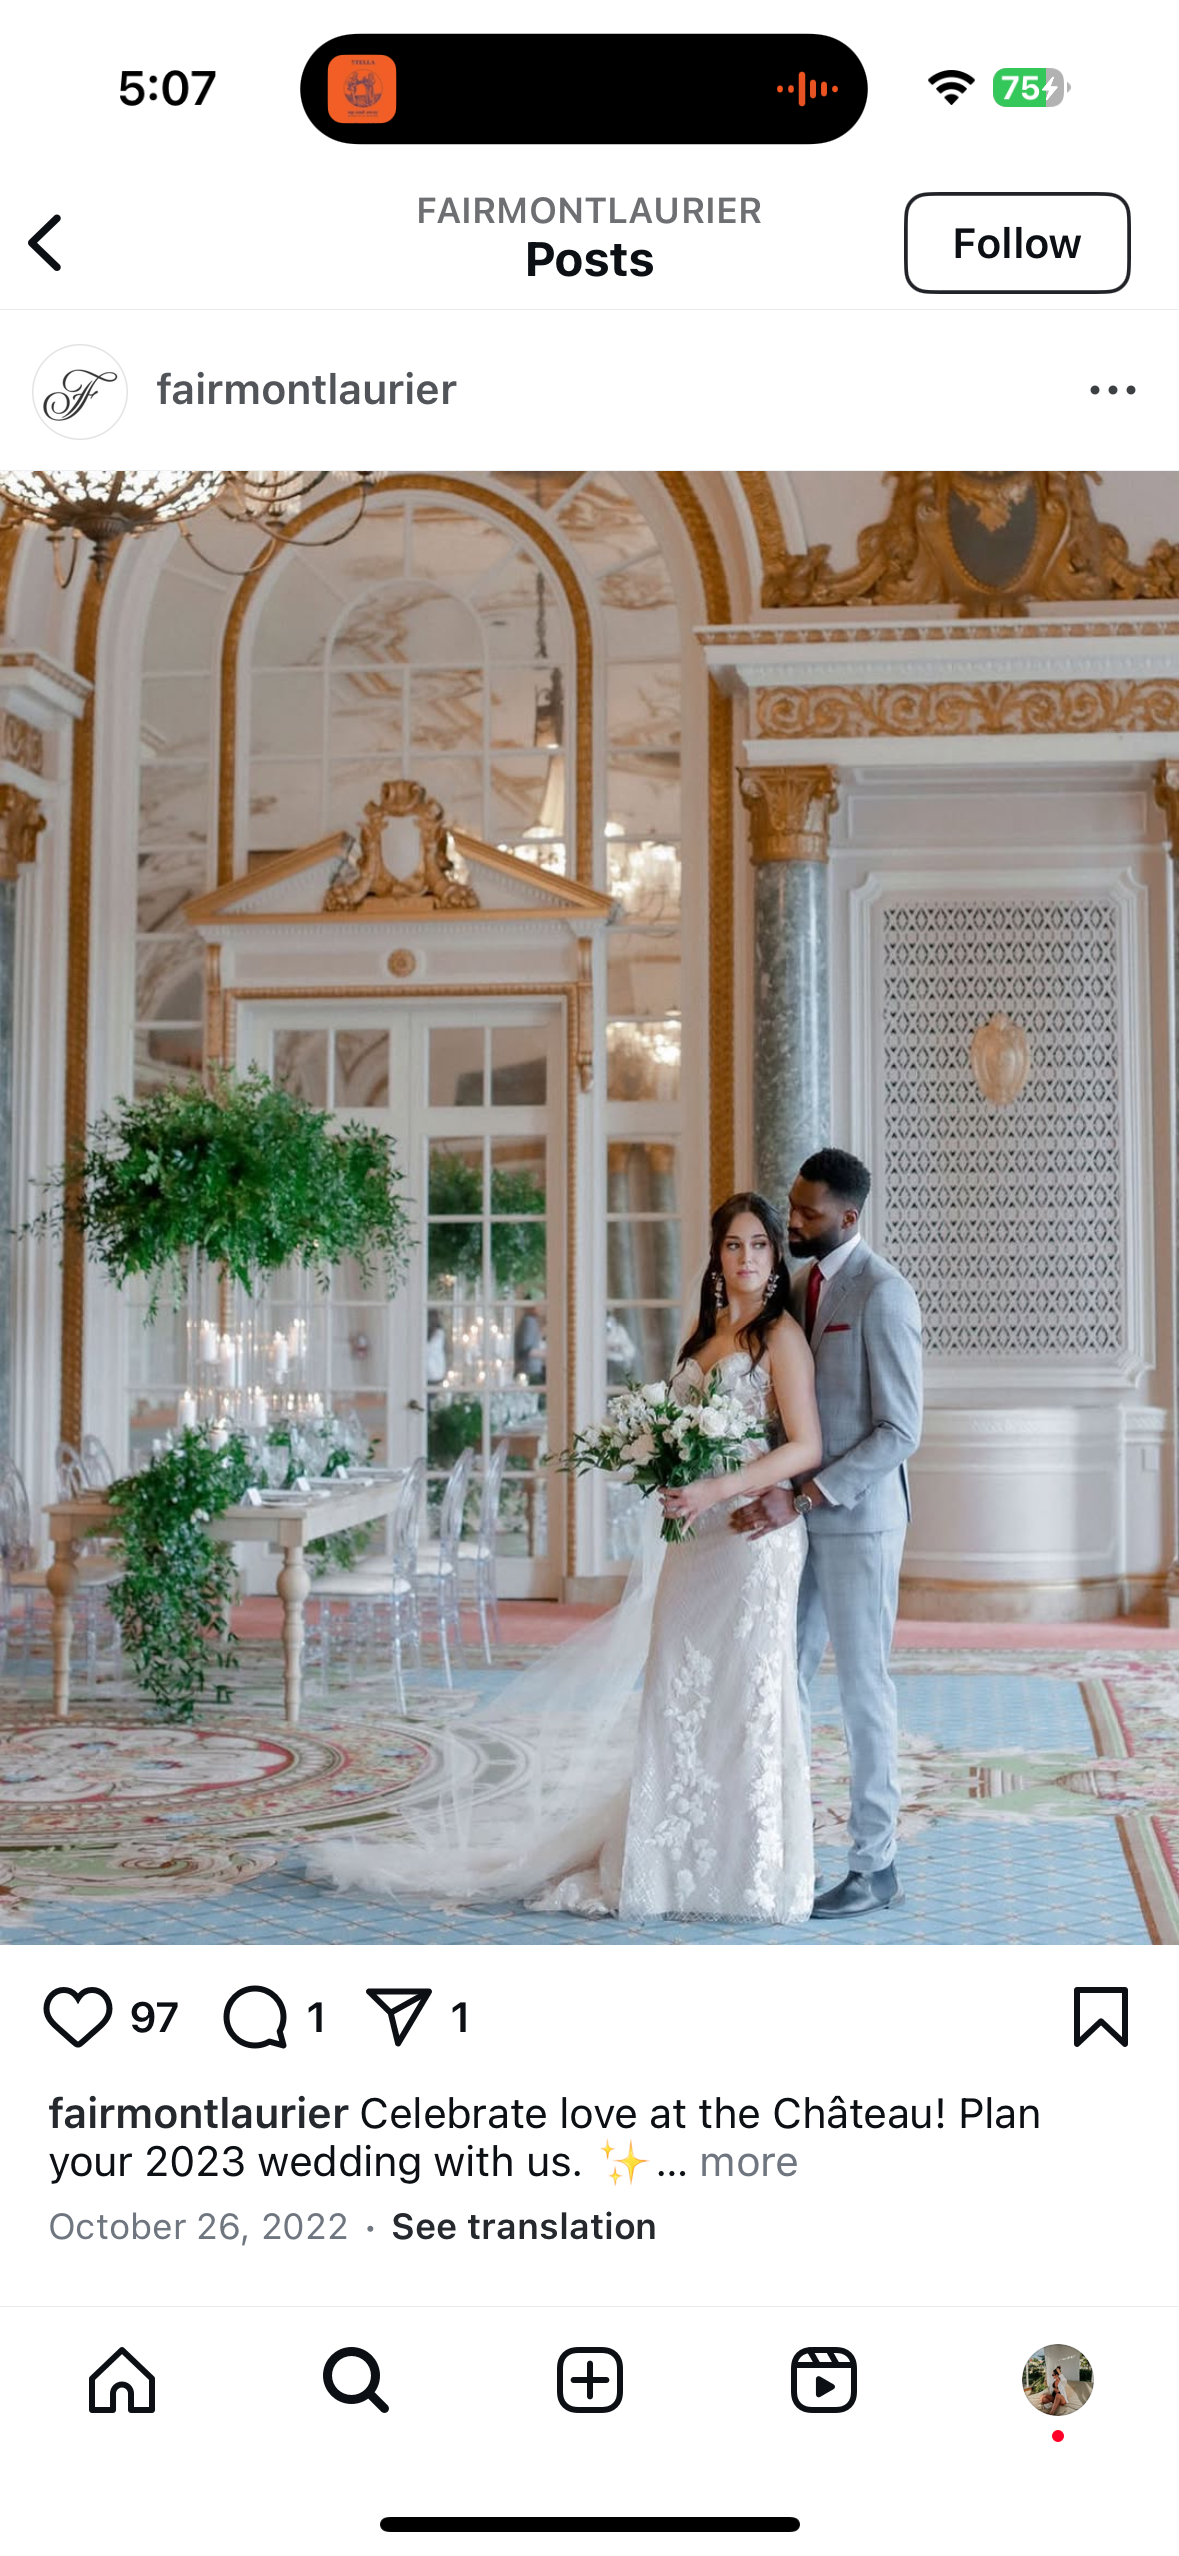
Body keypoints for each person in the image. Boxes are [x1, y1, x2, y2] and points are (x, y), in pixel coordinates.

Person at [308, 1191, 822, 1923]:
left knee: (743, 1698)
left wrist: (718, 1484)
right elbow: (676, 1425)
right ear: (716, 1256)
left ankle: (740, 1869)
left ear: (775, 1255)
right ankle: (666, 1858)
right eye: (733, 1246)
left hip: (747, 1538)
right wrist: (657, 1461)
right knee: (675, 1687)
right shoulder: (703, 1336)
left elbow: (806, 1445)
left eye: (759, 1246)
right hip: (693, 1539)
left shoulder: (779, 1339)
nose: (746, 1259)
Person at [733, 1148, 922, 1920]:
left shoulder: (882, 1294)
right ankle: (785, 1848)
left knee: (861, 1692)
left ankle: (875, 1866)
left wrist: (805, 1495)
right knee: (784, 1679)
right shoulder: (797, 1292)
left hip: (858, 1523)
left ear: (848, 1215)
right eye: (791, 1207)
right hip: (796, 1527)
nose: (792, 1222)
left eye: (807, 1212)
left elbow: (898, 1430)